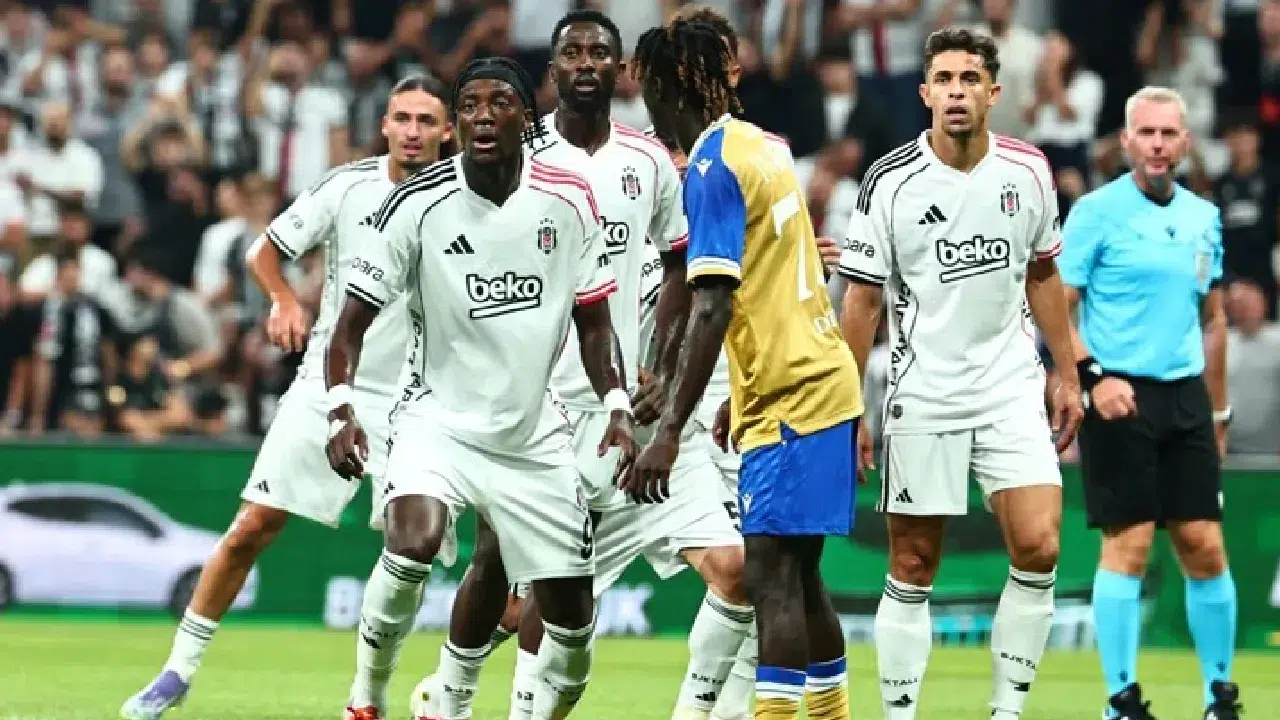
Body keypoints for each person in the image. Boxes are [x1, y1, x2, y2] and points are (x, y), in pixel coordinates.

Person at [410, 11, 748, 720]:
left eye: (599, 52)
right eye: (572, 52)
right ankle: (451, 694)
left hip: (626, 406)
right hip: (536, 408)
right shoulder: (516, 154)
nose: (586, 62)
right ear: (553, 70)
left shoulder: (648, 161)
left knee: (732, 572)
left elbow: (682, 262)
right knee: (508, 571)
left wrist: (659, 364)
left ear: (620, 69)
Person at [118, 74, 454, 720]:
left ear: (447, 131)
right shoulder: (346, 187)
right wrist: (282, 299)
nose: (413, 131)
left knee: (409, 553)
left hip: (419, 404)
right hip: (330, 382)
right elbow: (264, 250)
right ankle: (176, 672)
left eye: (426, 121)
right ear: (384, 125)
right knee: (252, 526)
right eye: (403, 118)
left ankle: (369, 695)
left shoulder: (463, 198)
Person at [326, 57, 636, 720]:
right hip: (436, 421)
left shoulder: (569, 200)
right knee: (411, 546)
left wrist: (616, 403)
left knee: (572, 640)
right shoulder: (416, 203)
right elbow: (348, 326)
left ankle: (481, 704)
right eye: (469, 105)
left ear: (527, 117)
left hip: (533, 437)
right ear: (457, 122)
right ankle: (367, 696)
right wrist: (339, 409)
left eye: (499, 103)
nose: (483, 117)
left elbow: (595, 324)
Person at [837, 27, 1083, 720]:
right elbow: (861, 300)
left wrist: (1065, 374)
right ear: (924, 93)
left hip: (1010, 388)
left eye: (969, 79)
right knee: (914, 564)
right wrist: (848, 404)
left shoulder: (1027, 171)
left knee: (1040, 546)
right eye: (943, 79)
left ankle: (1006, 711)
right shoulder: (890, 181)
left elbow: (1044, 274)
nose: (955, 92)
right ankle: (900, 715)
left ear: (993, 93)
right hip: (924, 394)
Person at [627, 20, 863, 720]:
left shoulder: (711, 166)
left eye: (649, 87)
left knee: (772, 578)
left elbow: (711, 305)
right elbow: (781, 274)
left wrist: (670, 429)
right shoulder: (762, 146)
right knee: (801, 575)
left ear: (674, 83)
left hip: (793, 395)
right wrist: (744, 390)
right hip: (815, 380)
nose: (646, 104)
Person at [1058, 85, 1241, 720]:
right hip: (1119, 394)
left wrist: (1218, 411)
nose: (1158, 145)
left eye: (1168, 134)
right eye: (1147, 133)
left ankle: (1220, 696)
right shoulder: (1094, 213)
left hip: (1185, 395)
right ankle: (1121, 701)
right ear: (1126, 141)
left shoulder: (1203, 217)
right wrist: (1093, 378)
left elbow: (1213, 320)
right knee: (1129, 545)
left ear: (1185, 142)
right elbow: (1055, 310)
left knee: (1204, 545)